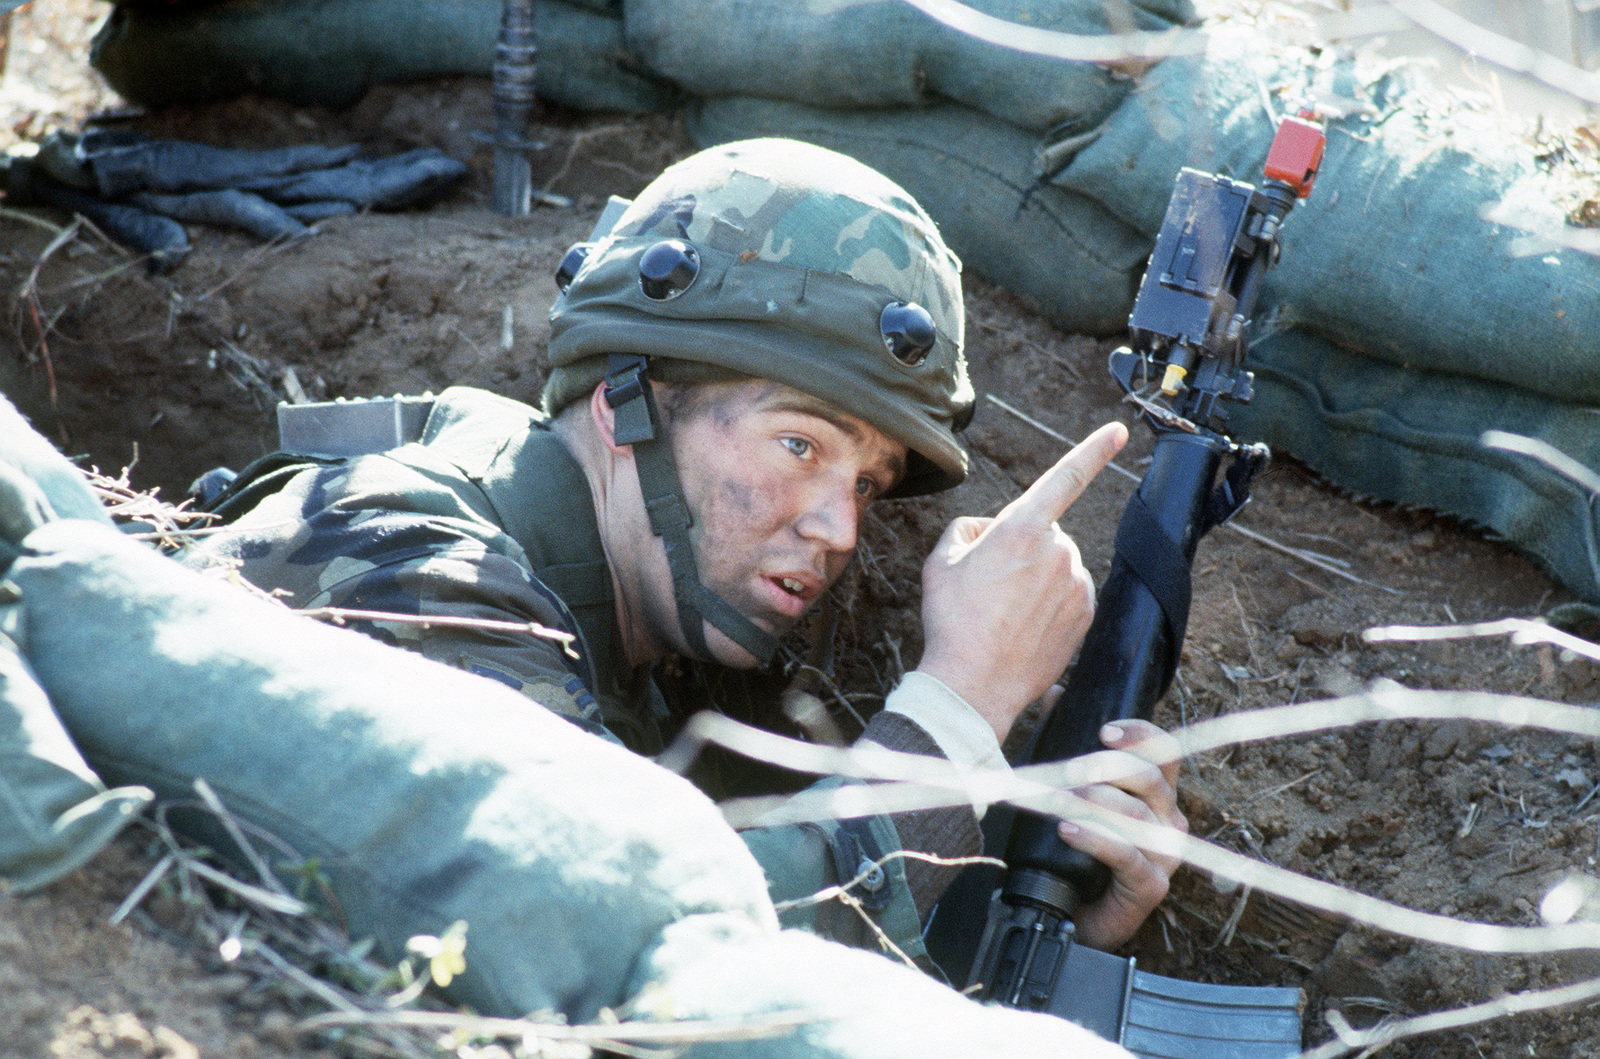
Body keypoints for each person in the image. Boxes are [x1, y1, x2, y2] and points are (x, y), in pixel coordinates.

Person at [183, 137, 1188, 964]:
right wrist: (956, 711)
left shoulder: (657, 661)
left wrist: (1048, 906)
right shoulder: (400, 560)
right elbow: (648, 959)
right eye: (800, 446)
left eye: (867, 484)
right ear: (631, 405)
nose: (838, 529)